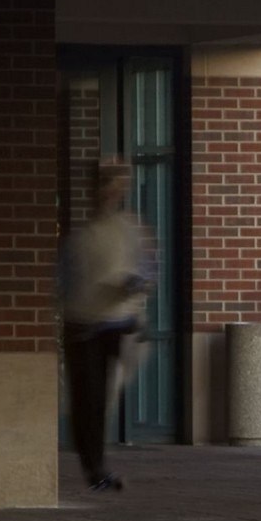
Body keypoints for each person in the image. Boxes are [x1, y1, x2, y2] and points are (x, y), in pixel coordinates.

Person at [59, 164, 155, 493]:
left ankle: (96, 466)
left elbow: (145, 270)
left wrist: (133, 286)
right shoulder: (82, 234)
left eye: (118, 187)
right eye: (108, 186)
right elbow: (66, 282)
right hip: (82, 323)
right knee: (86, 397)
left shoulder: (129, 230)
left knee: (101, 397)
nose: (113, 193)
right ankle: (92, 465)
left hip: (115, 321)